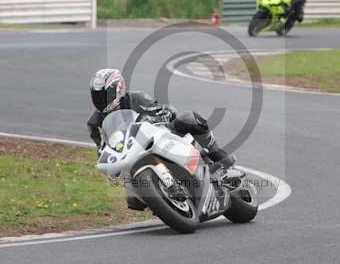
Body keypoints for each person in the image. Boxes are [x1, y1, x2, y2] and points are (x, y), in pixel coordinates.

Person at [87, 69, 236, 207]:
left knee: (190, 119)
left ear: (118, 89)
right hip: (131, 151)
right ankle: (163, 200)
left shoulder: (136, 98)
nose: (101, 100)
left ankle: (217, 156)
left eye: (105, 95)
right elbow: (101, 149)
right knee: (133, 201)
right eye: (97, 96)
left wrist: (165, 112)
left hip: (158, 134)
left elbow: (161, 109)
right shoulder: (94, 122)